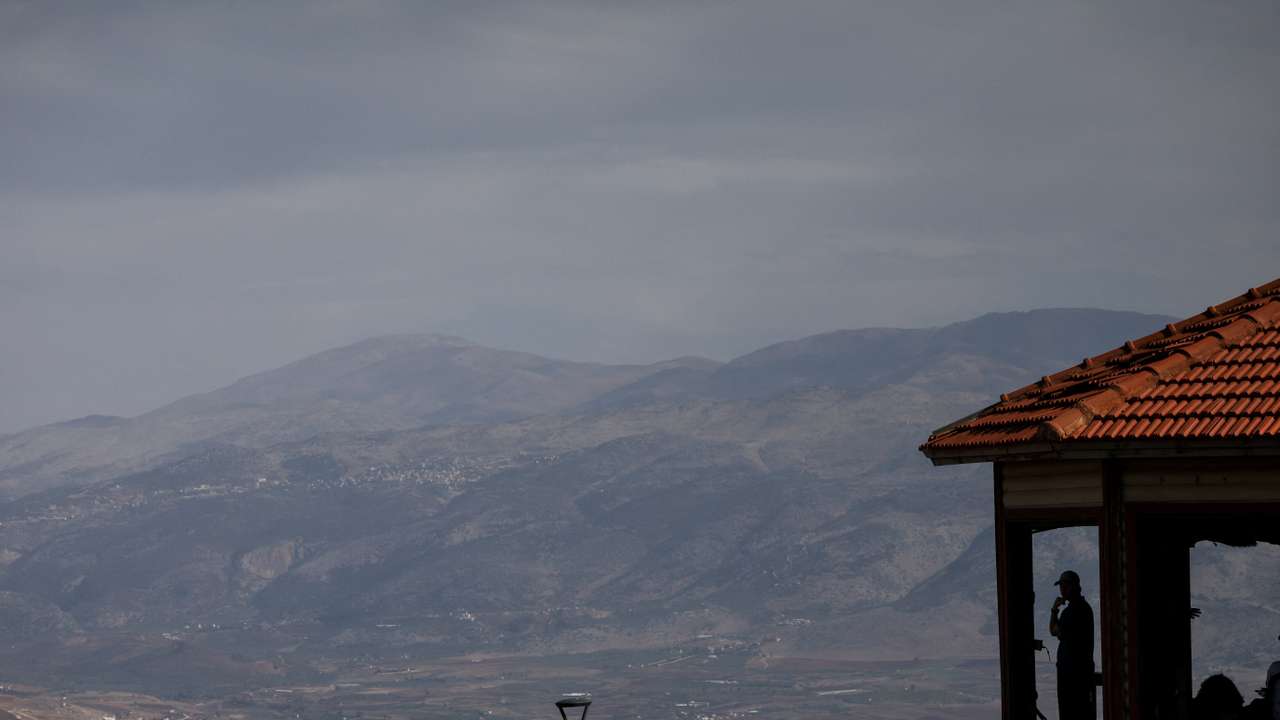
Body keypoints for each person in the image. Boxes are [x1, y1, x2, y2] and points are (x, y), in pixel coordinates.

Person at [1050, 570, 1096, 720]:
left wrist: (1054, 610)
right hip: (1079, 673)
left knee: (1070, 712)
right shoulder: (1084, 608)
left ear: (1071, 587)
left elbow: (1055, 631)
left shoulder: (1072, 612)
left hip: (1071, 676)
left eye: (1063, 586)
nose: (1061, 590)